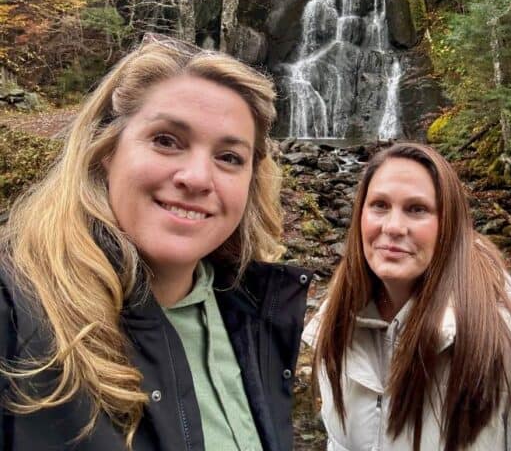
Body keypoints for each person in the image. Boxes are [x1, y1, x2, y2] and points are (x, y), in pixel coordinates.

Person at [0, 36, 311, 451]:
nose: (198, 177)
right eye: (166, 140)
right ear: (105, 149)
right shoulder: (14, 313)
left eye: (230, 157)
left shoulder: (257, 313)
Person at [304, 143, 511, 451]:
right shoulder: (337, 325)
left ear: (450, 225)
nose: (392, 227)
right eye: (379, 205)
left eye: (417, 209)